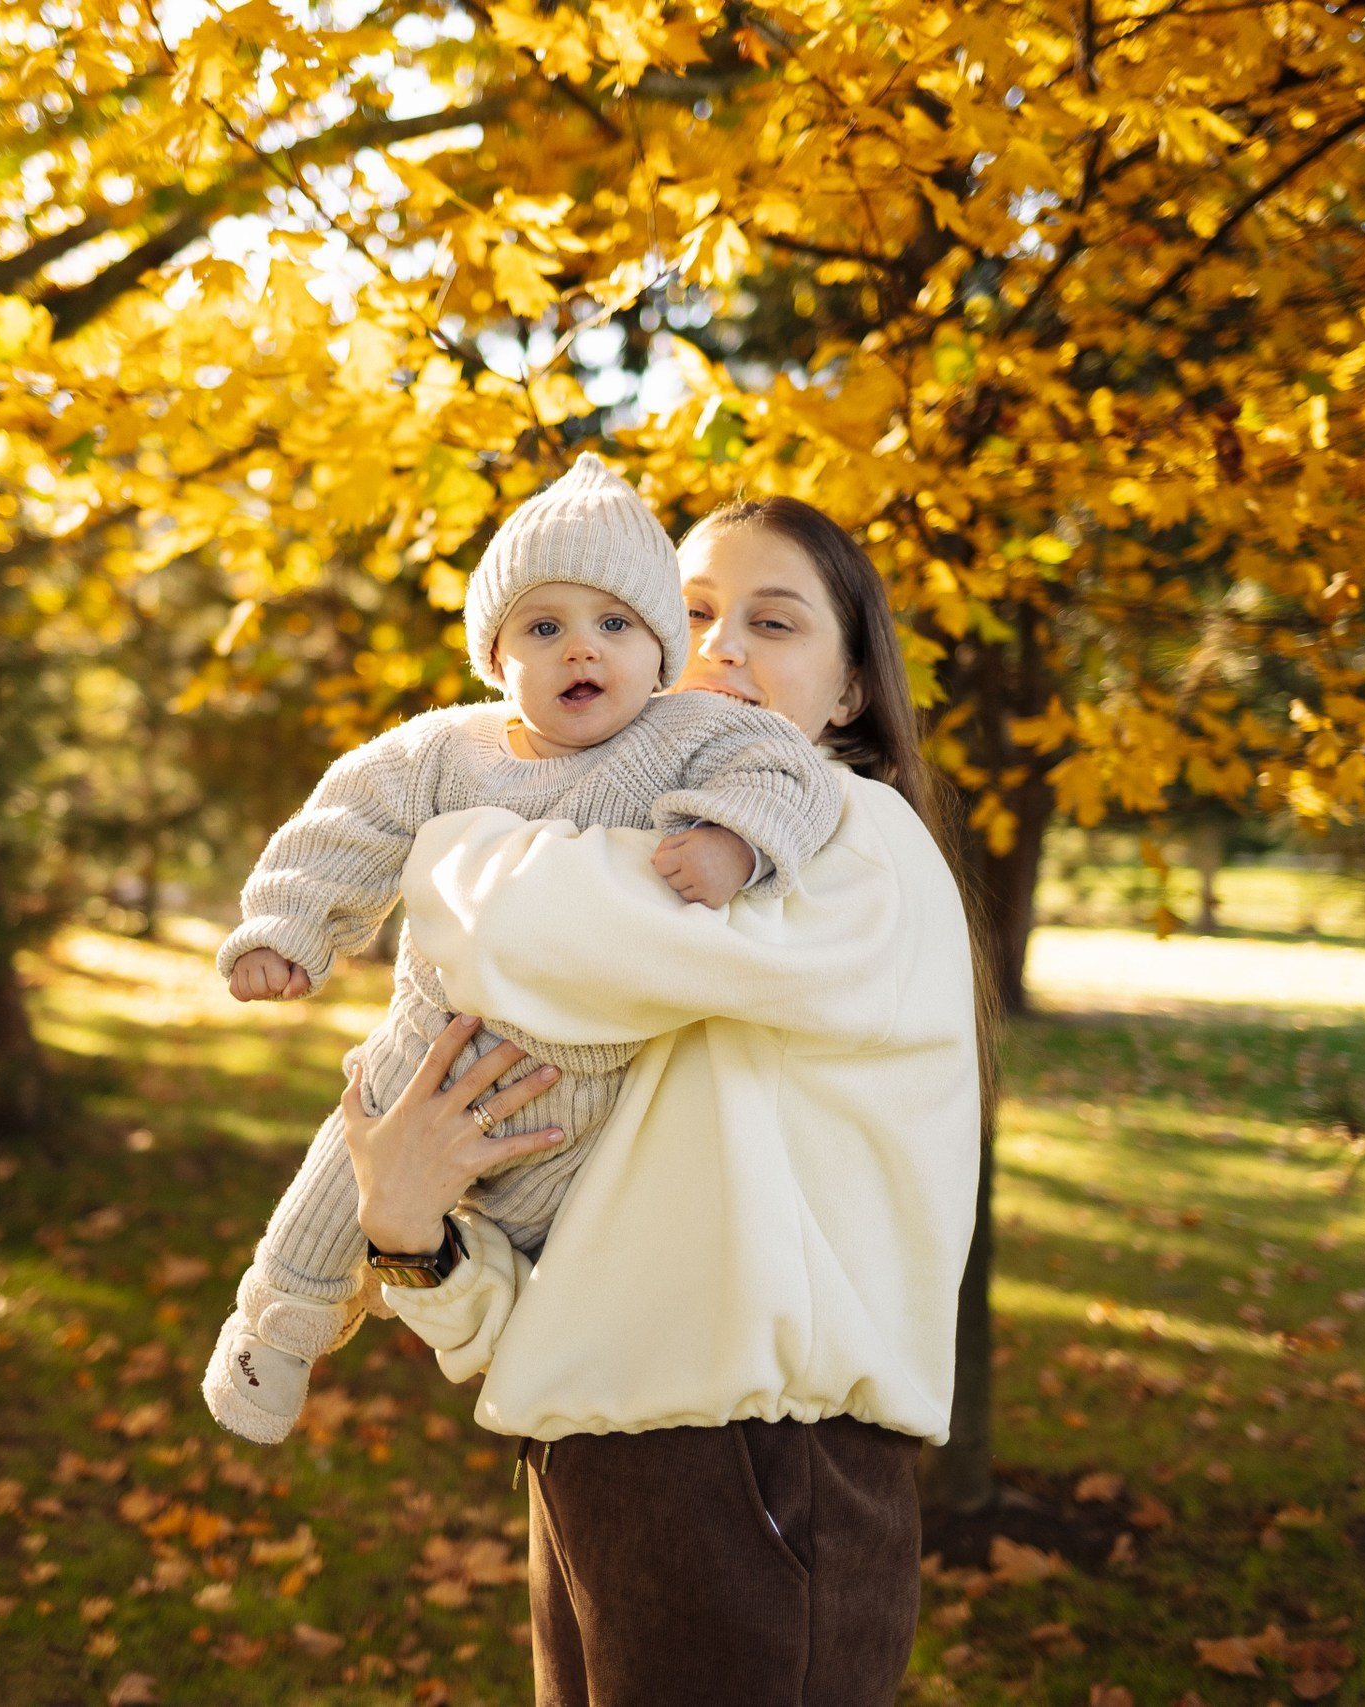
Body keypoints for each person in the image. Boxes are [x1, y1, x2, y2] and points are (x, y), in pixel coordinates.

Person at [346, 495, 986, 1706]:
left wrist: (435, 823)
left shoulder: (848, 838)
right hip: (590, 1468)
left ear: (850, 691)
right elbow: (564, 1259)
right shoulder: (655, 895)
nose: (720, 648)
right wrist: (409, 1235)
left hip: (755, 1470)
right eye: (688, 614)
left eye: (773, 622)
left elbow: (511, 926)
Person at [201, 457, 846, 1446]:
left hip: (589, 1095)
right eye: (543, 628)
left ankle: (486, 1326)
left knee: (567, 1256)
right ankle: (273, 1336)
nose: (581, 647)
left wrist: (735, 839)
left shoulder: (691, 730)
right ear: (496, 659)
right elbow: (346, 820)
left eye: (615, 624)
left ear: (661, 654)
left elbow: (787, 771)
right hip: (428, 1047)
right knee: (331, 1194)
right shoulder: (446, 751)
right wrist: (287, 928)